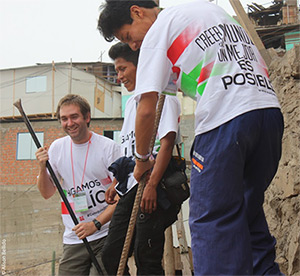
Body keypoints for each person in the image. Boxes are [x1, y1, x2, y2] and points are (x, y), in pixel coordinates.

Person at [97, 1, 284, 275]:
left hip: (226, 121)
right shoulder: (207, 12)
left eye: (128, 37)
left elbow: (147, 110)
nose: (133, 46)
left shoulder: (158, 32)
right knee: (245, 213)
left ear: (136, 12)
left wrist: (141, 161)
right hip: (268, 116)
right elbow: (169, 88)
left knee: (211, 222)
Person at [101, 42, 181, 275]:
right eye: (117, 71)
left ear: (141, 67)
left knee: (146, 258)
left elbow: (165, 146)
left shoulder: (163, 99)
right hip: (132, 187)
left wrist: (152, 186)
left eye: (123, 69)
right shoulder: (132, 106)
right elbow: (129, 151)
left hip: (153, 186)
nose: (120, 76)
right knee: (111, 255)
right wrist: (118, 182)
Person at [35, 94, 122, 276]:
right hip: (75, 237)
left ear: (87, 117)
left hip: (106, 233)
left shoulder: (109, 148)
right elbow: (46, 192)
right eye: (64, 119)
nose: (69, 123)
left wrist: (96, 224)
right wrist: (43, 168)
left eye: (74, 117)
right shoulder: (57, 148)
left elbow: (123, 194)